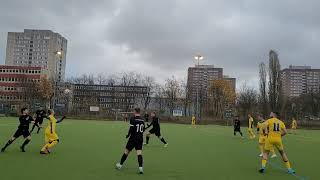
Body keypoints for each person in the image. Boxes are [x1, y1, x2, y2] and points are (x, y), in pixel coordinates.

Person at [116, 108, 145, 174]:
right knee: (139, 153)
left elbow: (131, 129)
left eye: (134, 111)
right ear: (139, 112)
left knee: (126, 152)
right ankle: (141, 168)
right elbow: (143, 129)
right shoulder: (142, 120)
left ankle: (120, 165)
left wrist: (128, 135)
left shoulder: (132, 119)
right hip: (140, 138)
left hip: (133, 138)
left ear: (135, 112)